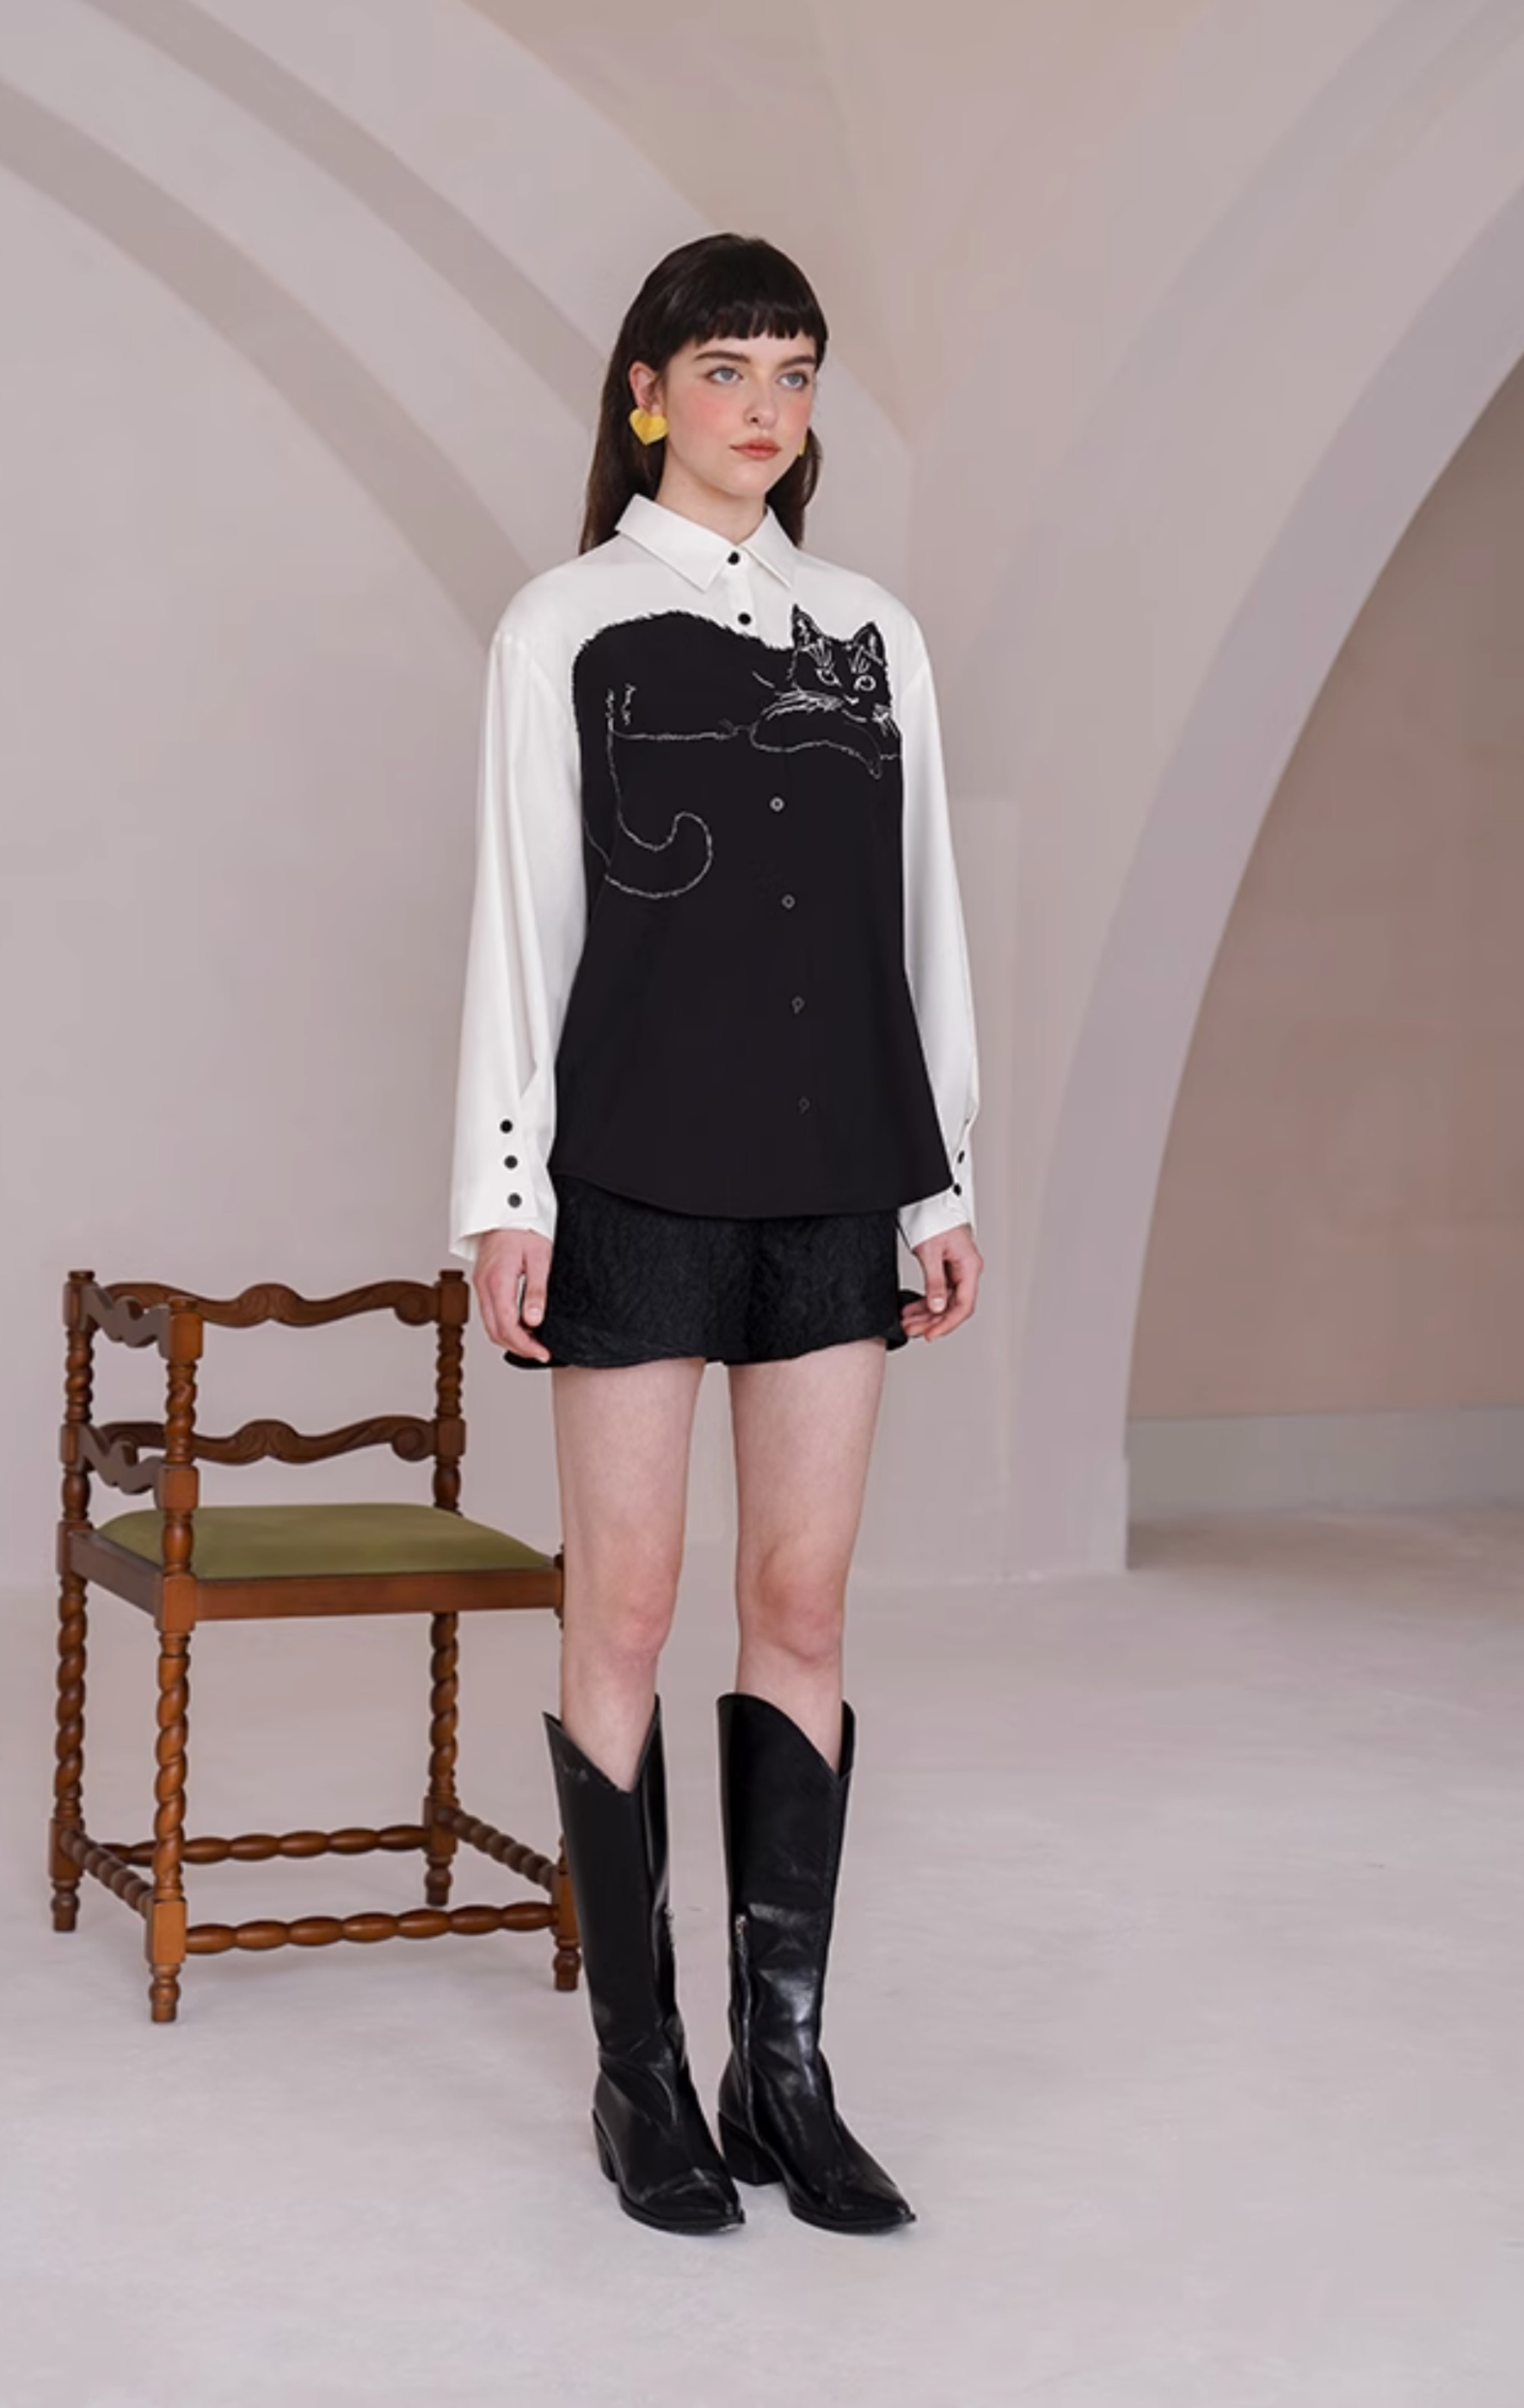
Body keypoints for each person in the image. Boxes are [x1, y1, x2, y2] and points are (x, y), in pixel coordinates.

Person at [447, 232, 981, 2235]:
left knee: (804, 1597)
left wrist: (942, 1176)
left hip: (838, 1163)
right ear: (649, 391)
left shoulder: (874, 635)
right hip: (635, 1170)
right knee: (628, 1603)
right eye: (728, 367)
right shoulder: (566, 625)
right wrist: (506, 1188)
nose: (765, 405)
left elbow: (919, 922)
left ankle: (787, 2070)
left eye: (795, 370)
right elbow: (523, 920)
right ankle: (642, 2075)